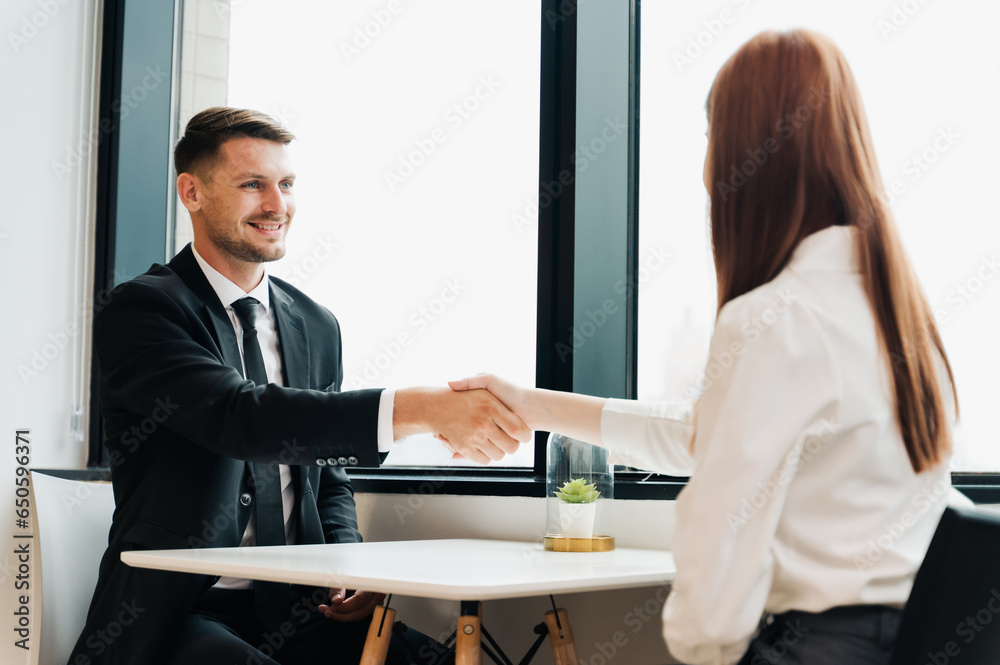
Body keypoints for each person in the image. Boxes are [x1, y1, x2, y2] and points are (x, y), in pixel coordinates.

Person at [450, 30, 969, 665]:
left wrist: (704, 647)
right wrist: (532, 407)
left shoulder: (776, 319)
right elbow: (705, 434)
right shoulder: (892, 311)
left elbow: (718, 552)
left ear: (747, 159)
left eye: (710, 140)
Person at [69, 106, 529, 665]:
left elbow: (327, 476)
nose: (276, 204)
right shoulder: (144, 309)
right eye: (252, 185)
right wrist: (420, 409)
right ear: (191, 192)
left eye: (286, 184)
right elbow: (240, 417)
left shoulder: (315, 323)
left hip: (304, 611)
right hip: (183, 611)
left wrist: (349, 566)